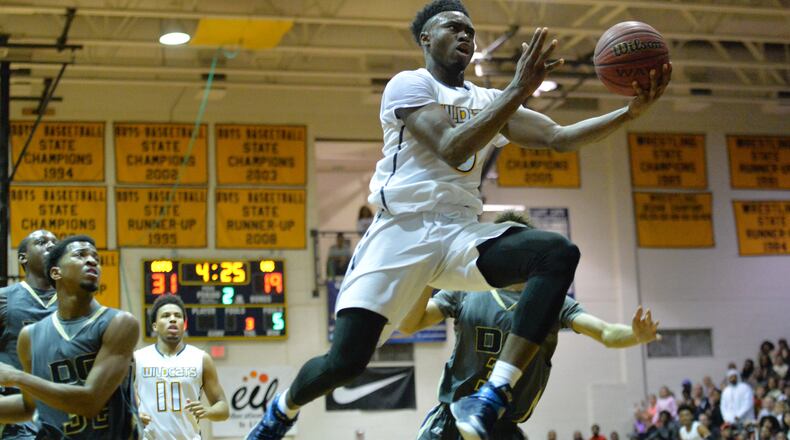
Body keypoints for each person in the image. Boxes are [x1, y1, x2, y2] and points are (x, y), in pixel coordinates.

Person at [245, 0, 670, 438]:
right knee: (346, 362)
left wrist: (628, 113)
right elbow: (452, 147)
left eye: (470, 29)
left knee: (556, 253)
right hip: (401, 231)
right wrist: (516, 91)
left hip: (460, 233)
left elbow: (558, 137)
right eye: (453, 26)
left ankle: (493, 394)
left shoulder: (488, 100)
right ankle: (281, 411)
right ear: (426, 38)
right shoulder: (409, 84)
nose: (466, 34)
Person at [405, 211, 661, 440]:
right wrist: (428, 274)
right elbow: (410, 324)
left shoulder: (552, 300)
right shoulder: (466, 289)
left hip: (503, 427)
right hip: (450, 419)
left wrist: (635, 335)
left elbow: (606, 333)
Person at [0, 235, 139, 439]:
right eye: (80, 255)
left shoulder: (119, 323)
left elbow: (90, 402)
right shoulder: (29, 336)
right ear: (56, 272)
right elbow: (29, 407)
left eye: (96, 258)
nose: (91, 261)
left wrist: (16, 377)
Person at [135, 294, 229, 439]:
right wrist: (133, 416)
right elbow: (119, 402)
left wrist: (207, 411)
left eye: (178, 316)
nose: (173, 319)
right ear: (155, 326)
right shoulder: (138, 358)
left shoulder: (201, 358)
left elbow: (224, 408)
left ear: (184, 325)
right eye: (166, 316)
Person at [0, 230, 58, 439]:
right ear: (23, 257)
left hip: (63, 413)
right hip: (19, 417)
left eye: (55, 243)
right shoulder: (5, 298)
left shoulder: (74, 303)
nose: (51, 246)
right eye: (42, 242)